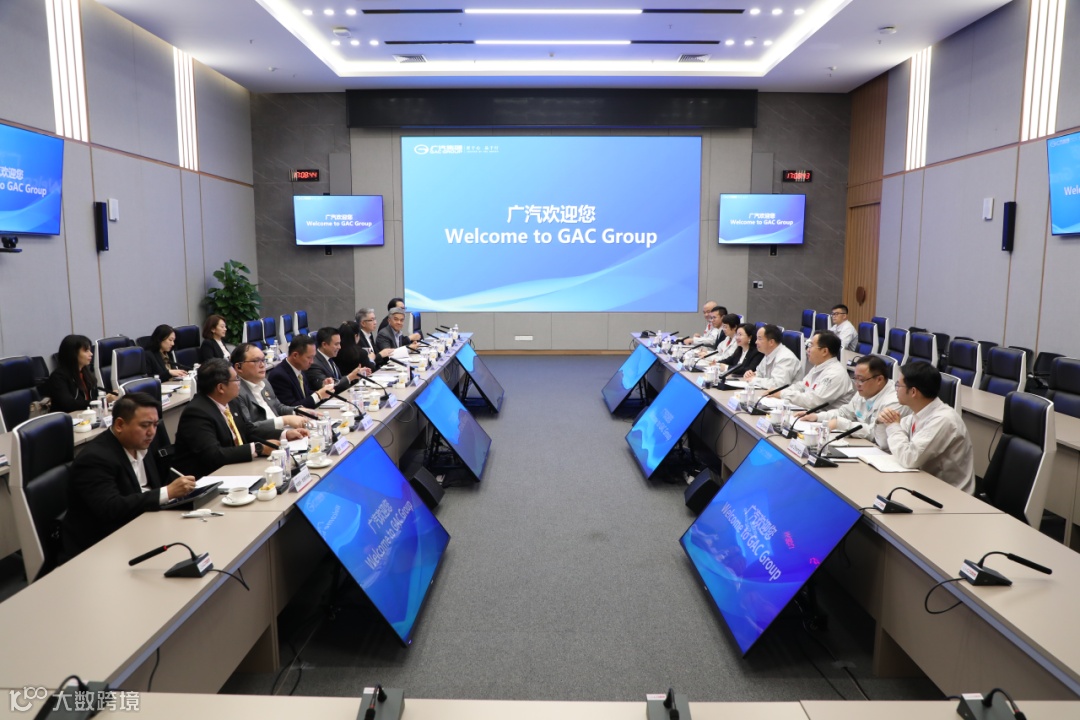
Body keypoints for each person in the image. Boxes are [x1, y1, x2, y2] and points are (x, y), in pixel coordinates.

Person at [61, 392, 197, 559]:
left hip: (144, 526)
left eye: (155, 425)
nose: (152, 432)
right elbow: (110, 508)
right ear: (120, 425)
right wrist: (167, 492)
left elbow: (153, 485)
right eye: (145, 425)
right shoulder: (95, 459)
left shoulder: (141, 443)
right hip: (104, 547)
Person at [173, 359, 295, 478]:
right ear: (221, 388)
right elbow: (213, 455)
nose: (239, 382)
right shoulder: (197, 413)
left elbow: (248, 431)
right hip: (207, 479)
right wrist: (259, 448)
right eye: (236, 379)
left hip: (236, 469)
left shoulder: (232, 401)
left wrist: (284, 434)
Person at [876, 361, 975, 494]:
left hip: (949, 494)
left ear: (913, 392)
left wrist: (893, 425)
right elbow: (885, 444)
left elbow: (909, 458)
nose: (896, 389)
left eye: (898, 385)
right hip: (921, 482)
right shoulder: (918, 413)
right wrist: (881, 422)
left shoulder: (943, 420)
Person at [802, 355, 906, 445]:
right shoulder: (865, 390)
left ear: (879, 379)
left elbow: (874, 433)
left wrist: (839, 424)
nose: (857, 384)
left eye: (861, 379)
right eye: (855, 378)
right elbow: (844, 413)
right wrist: (817, 416)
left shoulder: (894, 401)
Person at [230, 343, 310, 441]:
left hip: (283, 434)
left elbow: (278, 407)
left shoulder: (264, 382)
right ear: (239, 367)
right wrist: (285, 420)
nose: (262, 365)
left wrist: (298, 411)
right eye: (256, 361)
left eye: (263, 360)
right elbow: (248, 428)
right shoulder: (235, 393)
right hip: (267, 441)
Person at [780, 331, 854, 410]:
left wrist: (783, 394)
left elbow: (814, 401)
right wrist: (782, 392)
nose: (808, 350)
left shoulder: (836, 374)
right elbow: (801, 386)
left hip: (824, 416)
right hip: (812, 414)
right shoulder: (819, 366)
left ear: (824, 351)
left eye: (811, 346)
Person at [42, 334, 115, 412]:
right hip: (69, 417)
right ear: (73, 353)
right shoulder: (58, 377)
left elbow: (93, 397)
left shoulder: (86, 373)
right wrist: (100, 401)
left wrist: (106, 399)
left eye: (90, 350)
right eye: (86, 351)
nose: (91, 354)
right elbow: (68, 404)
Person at [266, 335, 335, 408]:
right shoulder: (279, 376)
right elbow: (291, 407)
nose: (312, 362)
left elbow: (305, 395)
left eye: (313, 357)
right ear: (295, 355)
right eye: (309, 357)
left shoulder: (300, 369)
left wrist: (323, 390)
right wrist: (318, 395)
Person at [309, 326, 370, 394]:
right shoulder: (314, 364)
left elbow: (338, 380)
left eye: (339, 343)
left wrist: (355, 375)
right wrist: (350, 377)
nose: (340, 347)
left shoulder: (329, 358)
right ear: (324, 344)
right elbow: (328, 388)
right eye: (336, 344)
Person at [743, 324, 802, 390]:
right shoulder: (768, 353)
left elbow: (778, 385)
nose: (756, 342)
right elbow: (760, 373)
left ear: (771, 342)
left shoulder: (786, 358)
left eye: (759, 339)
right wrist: (752, 375)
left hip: (786, 395)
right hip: (768, 393)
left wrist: (754, 380)